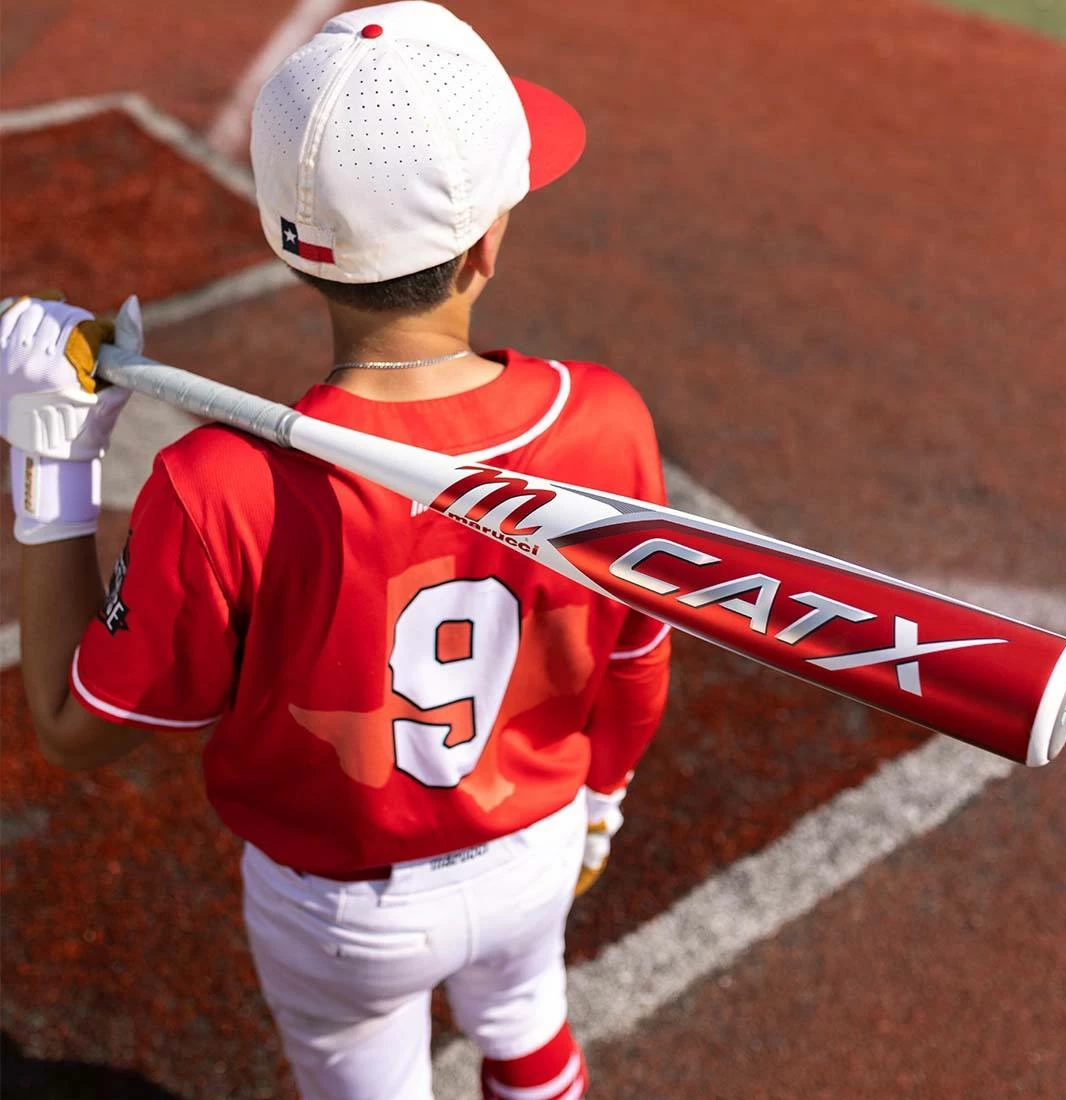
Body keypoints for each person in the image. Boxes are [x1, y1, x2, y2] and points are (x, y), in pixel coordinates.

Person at [0, 3, 671, 1098]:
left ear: (290, 244)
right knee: (527, 1023)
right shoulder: (604, 417)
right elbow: (638, 660)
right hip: (536, 842)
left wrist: (52, 460)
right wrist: (603, 797)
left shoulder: (220, 482)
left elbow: (72, 732)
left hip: (340, 910)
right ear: (486, 242)